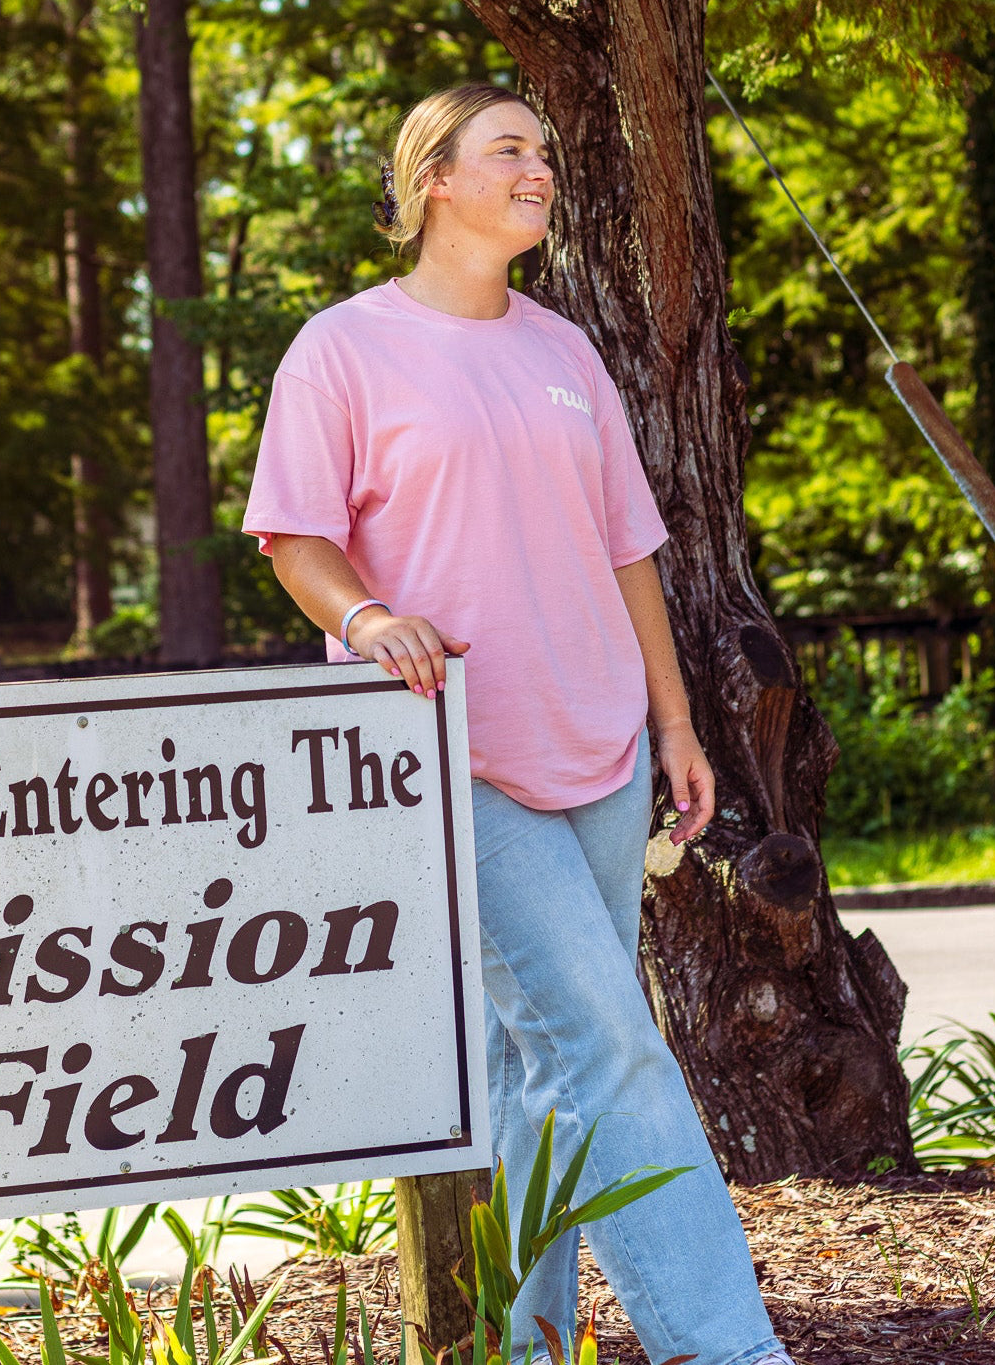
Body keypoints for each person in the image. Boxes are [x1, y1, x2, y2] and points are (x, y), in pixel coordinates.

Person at [242, 83, 796, 1365]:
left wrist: (674, 723)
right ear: (435, 178)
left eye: (543, 150)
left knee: (541, 1067)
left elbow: (629, 551)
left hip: (597, 747)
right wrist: (368, 615)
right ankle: (728, 1345)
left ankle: (525, 1339)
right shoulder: (345, 348)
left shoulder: (563, 351)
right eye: (511, 150)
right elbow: (295, 533)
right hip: (451, 754)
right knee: (609, 1041)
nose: (540, 169)